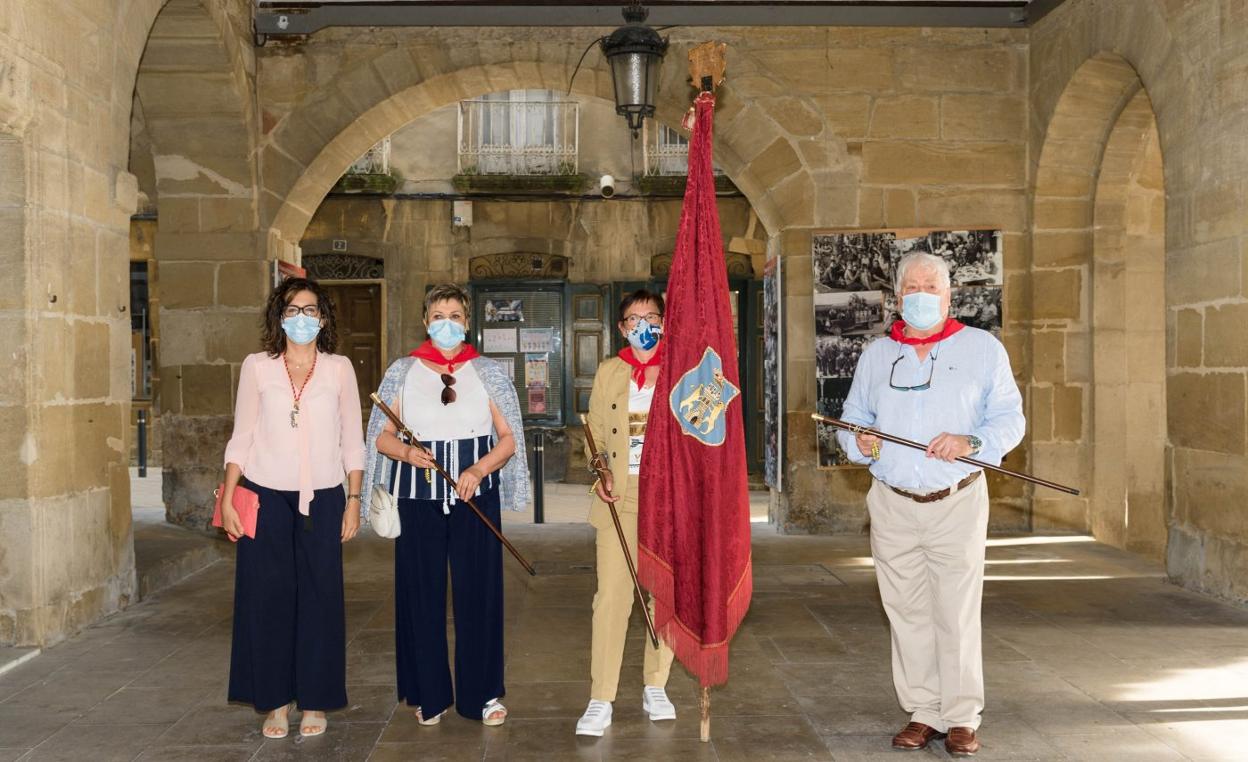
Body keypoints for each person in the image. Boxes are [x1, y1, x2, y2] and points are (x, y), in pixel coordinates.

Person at [836, 252, 1024, 757]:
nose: (921, 294)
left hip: (955, 499)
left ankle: (961, 716)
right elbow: (853, 419)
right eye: (911, 286)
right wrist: (861, 442)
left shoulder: (982, 349)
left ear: (948, 295)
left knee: (956, 610)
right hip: (892, 502)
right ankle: (923, 711)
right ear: (898, 297)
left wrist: (971, 442)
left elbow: (1009, 419)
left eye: (931, 286)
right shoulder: (877, 355)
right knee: (905, 610)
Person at [362, 283, 529, 727]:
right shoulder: (403, 371)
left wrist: (478, 470)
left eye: (455, 315)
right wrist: (405, 452)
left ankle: (484, 694)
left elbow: (509, 438)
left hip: (475, 495)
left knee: (480, 594)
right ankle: (427, 692)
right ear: (425, 320)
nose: (447, 323)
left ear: (468, 322)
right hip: (418, 498)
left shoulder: (487, 372)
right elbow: (379, 436)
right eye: (439, 314)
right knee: (421, 593)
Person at [220, 277, 365, 739]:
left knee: (321, 599)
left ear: (322, 317)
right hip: (265, 495)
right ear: (278, 316)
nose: (300, 318)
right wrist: (228, 497)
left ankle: (316, 701)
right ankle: (277, 702)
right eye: (291, 309)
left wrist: (353, 500)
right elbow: (241, 435)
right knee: (269, 599)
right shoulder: (257, 367)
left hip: (323, 497)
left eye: (309, 309)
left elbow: (353, 440)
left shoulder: (339, 368)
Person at [575, 289, 677, 737]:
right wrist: (602, 472)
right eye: (633, 320)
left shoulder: (683, 373)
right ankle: (602, 696)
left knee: (666, 598)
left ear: (664, 321)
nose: (643, 327)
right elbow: (594, 432)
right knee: (612, 598)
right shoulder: (608, 372)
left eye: (651, 317)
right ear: (621, 329)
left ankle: (656, 683)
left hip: (668, 501)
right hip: (620, 498)